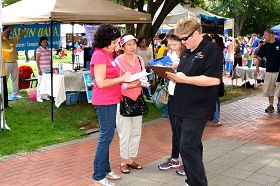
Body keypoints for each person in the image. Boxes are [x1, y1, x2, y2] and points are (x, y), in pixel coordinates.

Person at [166, 17, 223, 186]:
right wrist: (174, 75)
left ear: (197, 33)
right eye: (180, 39)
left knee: (187, 146)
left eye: (185, 38)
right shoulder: (188, 51)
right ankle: (192, 180)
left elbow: (214, 80)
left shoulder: (211, 49)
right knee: (192, 146)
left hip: (198, 107)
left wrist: (184, 79)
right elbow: (186, 75)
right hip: (182, 106)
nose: (182, 42)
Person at [90, 24, 131, 186]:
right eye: (115, 42)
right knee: (105, 137)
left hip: (111, 100)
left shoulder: (107, 55)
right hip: (104, 101)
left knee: (107, 136)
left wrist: (126, 81)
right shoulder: (100, 56)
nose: (117, 45)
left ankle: (105, 170)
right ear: (107, 42)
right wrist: (122, 79)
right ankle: (98, 176)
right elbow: (101, 82)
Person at [115, 34, 148, 174]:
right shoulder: (117, 62)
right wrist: (132, 86)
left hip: (137, 98)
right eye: (128, 44)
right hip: (123, 100)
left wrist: (144, 83)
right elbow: (116, 85)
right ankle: (123, 161)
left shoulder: (140, 59)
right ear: (122, 46)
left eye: (134, 43)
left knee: (136, 132)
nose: (132, 47)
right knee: (125, 133)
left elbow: (143, 76)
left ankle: (131, 159)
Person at [157, 29, 186, 176]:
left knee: (185, 131)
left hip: (185, 96)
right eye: (170, 44)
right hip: (173, 93)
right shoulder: (171, 54)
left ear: (182, 41)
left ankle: (188, 163)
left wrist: (178, 67)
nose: (172, 47)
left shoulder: (189, 55)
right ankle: (175, 158)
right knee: (175, 128)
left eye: (174, 44)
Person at [255, 29, 280, 113]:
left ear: (271, 34)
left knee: (279, 90)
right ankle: (271, 106)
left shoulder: (278, 43)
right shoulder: (264, 46)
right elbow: (259, 57)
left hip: (279, 72)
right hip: (269, 71)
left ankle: (279, 104)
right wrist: (257, 67)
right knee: (269, 90)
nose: (264, 37)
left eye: (265, 35)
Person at [2, 25, 24, 98]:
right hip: (6, 63)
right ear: (4, 32)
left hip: (14, 62)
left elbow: (21, 36)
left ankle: (15, 94)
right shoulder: (2, 40)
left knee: (15, 79)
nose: (9, 33)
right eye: (7, 32)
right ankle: (3, 95)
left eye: (9, 32)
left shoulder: (12, 40)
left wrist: (22, 28)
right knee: (4, 80)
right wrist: (7, 29)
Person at [212, 34, 226, 127]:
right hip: (216, 77)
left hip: (214, 78)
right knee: (214, 98)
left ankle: (215, 118)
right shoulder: (219, 51)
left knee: (214, 98)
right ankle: (215, 118)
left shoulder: (215, 51)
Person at [36, 37, 51, 102]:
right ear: (40, 43)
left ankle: (45, 96)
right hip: (42, 69)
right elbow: (37, 60)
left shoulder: (48, 49)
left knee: (47, 83)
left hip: (48, 69)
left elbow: (49, 60)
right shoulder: (39, 50)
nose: (45, 43)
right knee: (40, 83)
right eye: (44, 42)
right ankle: (39, 97)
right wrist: (39, 69)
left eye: (46, 42)